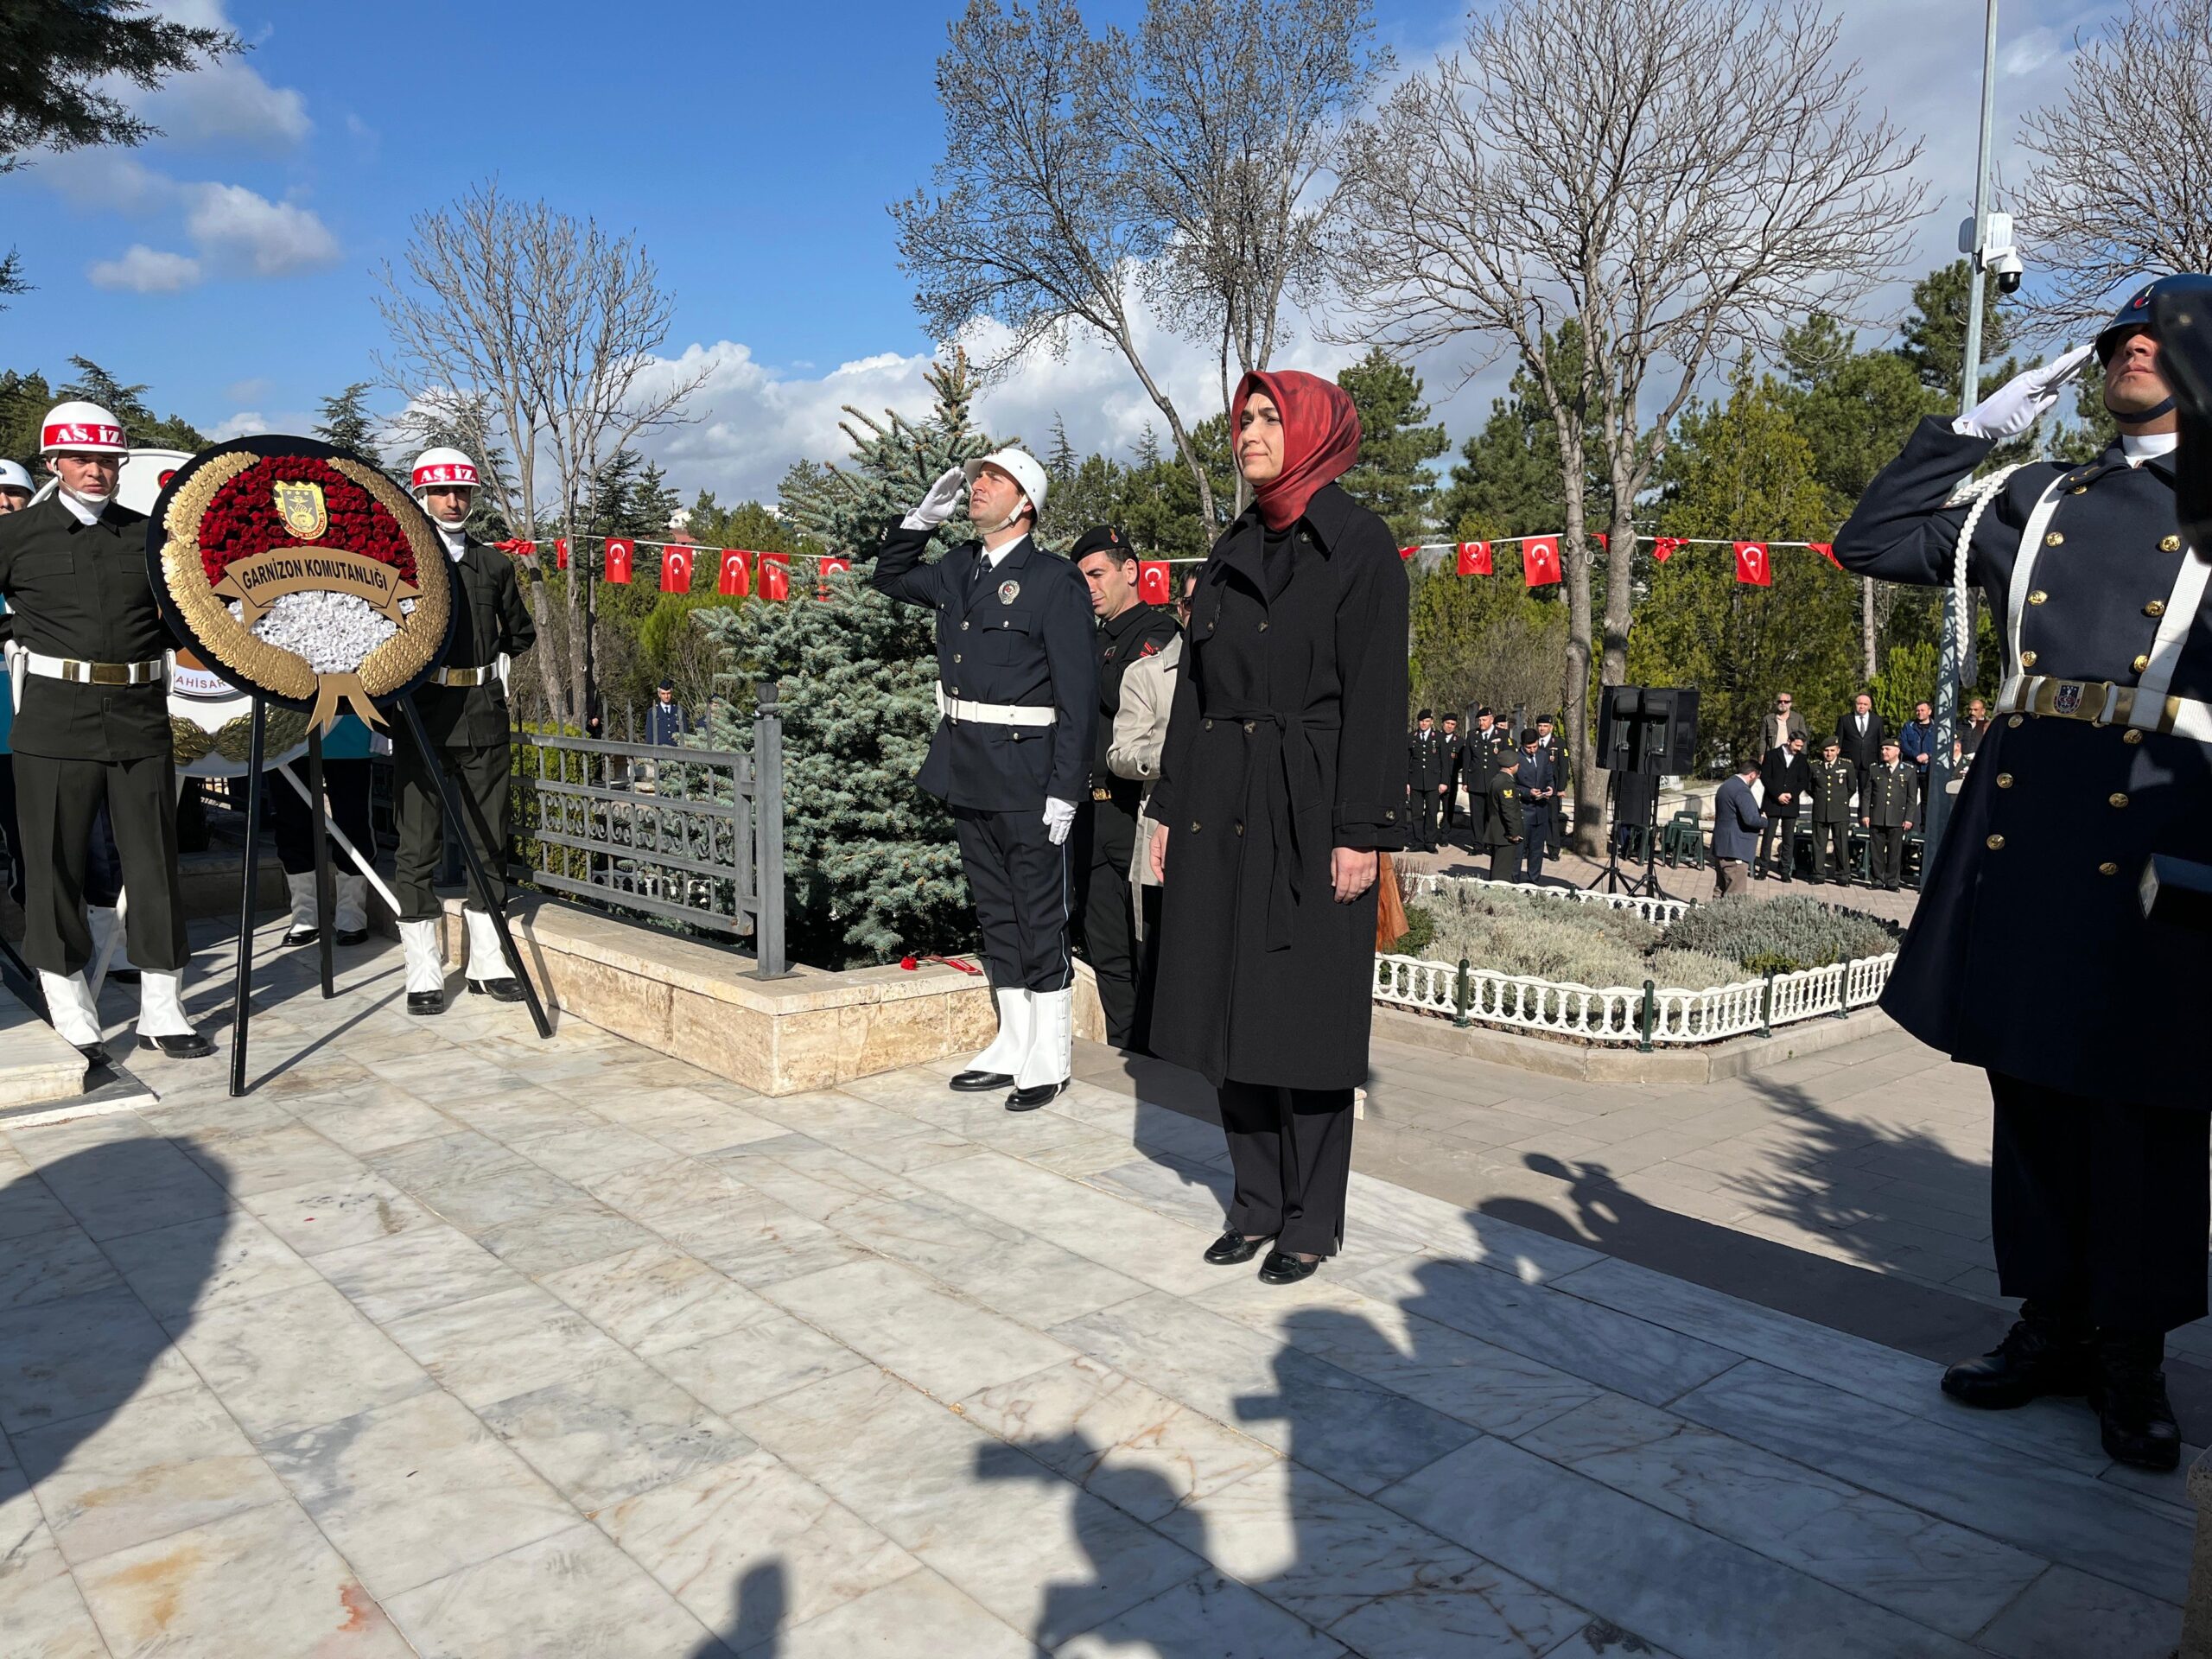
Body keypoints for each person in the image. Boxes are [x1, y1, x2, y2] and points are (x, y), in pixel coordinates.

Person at [1834, 276, 2210, 1471]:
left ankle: (2131, 1357)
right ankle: (2049, 1327)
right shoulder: (2039, 495)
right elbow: (1869, 542)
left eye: (2163, 335)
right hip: (2035, 820)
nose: (2133, 347)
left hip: (2168, 829)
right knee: (2034, 1091)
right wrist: (1965, 433)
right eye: (2121, 335)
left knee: (2145, 1109)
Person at [1147, 368, 1408, 1286]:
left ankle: (1310, 1220)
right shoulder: (1228, 548)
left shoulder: (1360, 545)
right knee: (1228, 1011)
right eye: (1243, 418)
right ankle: (1255, 1202)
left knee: (1306, 1021)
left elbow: (1378, 697)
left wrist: (1361, 830)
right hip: (1219, 804)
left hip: (1312, 804)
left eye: (1268, 418)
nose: (1248, 433)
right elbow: (1194, 693)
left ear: (1313, 430)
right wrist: (1169, 808)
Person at [870, 448, 1095, 1110]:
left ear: (1025, 503)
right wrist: (920, 521)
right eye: (978, 477)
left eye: (994, 479)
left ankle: (1048, 1053)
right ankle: (1013, 1041)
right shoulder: (959, 567)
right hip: (968, 767)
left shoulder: (1053, 580)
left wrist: (1066, 789)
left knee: (1039, 916)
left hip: (1028, 775)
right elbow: (889, 577)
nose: (978, 486)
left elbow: (1078, 698)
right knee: (996, 911)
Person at [0, 403, 209, 1062]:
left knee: (153, 864)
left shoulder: (149, 537)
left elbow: (188, 621)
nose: (96, 471)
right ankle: (72, 1011)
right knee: (54, 864)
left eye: (108, 460)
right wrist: (14, 634)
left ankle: (163, 1009)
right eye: (82, 459)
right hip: (55, 718)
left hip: (140, 715)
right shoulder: (16, 535)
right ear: (53, 463)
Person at [394, 447, 537, 1016]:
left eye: (462, 492)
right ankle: (423, 970)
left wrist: (486, 666)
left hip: (481, 714)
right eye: (441, 492)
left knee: (488, 841)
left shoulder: (494, 565)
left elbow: (520, 633)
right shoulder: (403, 564)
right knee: (417, 847)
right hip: (422, 716)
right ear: (422, 496)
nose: (453, 501)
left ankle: (487, 962)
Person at [1071, 524, 1178, 1052]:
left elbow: (1121, 694)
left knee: (1149, 942)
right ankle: (1123, 1048)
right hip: (1087, 809)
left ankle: (1158, 1051)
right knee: (1106, 945)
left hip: (1134, 808)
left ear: (1130, 571)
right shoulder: (1090, 637)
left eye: (1097, 574)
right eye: (1082, 578)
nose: (1089, 587)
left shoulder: (1157, 633)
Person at [1107, 568, 1193, 1047]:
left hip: (1231, 835)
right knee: (1157, 952)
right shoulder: (1147, 674)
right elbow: (1120, 753)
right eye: (1192, 603)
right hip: (1163, 831)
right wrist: (1175, 754)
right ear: (1180, 609)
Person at [267, 715, 375, 948]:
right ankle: (304, 913)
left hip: (347, 727)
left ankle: (352, 911)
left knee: (352, 823)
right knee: (292, 824)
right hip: (287, 732)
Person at [1754, 734, 1811, 881]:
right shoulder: (1772, 755)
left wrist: (1791, 794)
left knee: (1788, 839)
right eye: (1796, 745)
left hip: (1790, 803)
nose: (1799, 749)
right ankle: (1763, 868)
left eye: (1801, 746)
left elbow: (1803, 780)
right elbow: (1766, 777)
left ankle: (1785, 870)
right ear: (1788, 741)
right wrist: (1777, 794)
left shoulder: (1802, 759)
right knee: (1768, 837)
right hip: (1772, 802)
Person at [1860, 737, 1915, 890]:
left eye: (1887, 749)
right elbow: (1867, 794)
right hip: (1877, 816)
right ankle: (1877, 880)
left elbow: (1911, 798)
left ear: (1897, 751)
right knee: (1876, 851)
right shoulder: (1875, 769)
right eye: (1882, 749)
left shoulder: (1908, 771)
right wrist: (1865, 814)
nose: (1884, 752)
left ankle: (1892, 882)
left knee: (1894, 852)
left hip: (1897, 817)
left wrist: (1909, 818)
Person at [1709, 756, 1764, 897]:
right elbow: (1751, 819)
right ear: (1752, 775)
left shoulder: (1726, 786)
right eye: (1757, 778)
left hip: (1722, 847)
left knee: (1720, 890)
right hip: (1735, 849)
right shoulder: (1741, 790)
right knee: (1735, 894)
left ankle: (1713, 912)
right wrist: (1764, 821)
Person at [1807, 737, 1857, 886]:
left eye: (1832, 750)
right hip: (1821, 809)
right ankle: (1818, 874)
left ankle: (1843, 876)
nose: (1829, 754)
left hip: (1839, 810)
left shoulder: (1847, 765)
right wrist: (1821, 799)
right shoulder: (1815, 766)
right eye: (1826, 751)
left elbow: (1851, 788)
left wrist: (1839, 800)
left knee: (1841, 844)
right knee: (1819, 844)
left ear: (1838, 751)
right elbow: (1810, 787)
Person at [1511, 727, 1556, 883]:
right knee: (1518, 849)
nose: (1532, 750)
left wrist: (1551, 788)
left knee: (1537, 850)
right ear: (1523, 745)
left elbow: (1549, 776)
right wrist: (1527, 792)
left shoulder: (1543, 756)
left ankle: (1534, 880)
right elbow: (1511, 785)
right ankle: (1514, 880)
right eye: (1529, 747)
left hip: (1541, 809)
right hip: (1524, 810)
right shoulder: (1515, 759)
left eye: (1535, 746)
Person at [1478, 747, 1524, 880]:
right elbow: (1508, 810)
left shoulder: (1497, 779)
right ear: (1511, 767)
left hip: (1498, 832)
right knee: (1502, 872)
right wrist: (1514, 833)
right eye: (1516, 764)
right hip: (1504, 834)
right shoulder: (1506, 784)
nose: (1518, 766)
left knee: (1499, 867)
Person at [1406, 709, 1445, 852]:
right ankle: (1418, 842)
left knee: (1431, 813)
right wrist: (1406, 782)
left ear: (1432, 722)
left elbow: (1444, 761)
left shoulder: (1438, 737)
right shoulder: (1412, 737)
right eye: (1422, 721)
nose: (1424, 724)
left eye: (1427, 721)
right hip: (1415, 781)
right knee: (1416, 813)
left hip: (1433, 782)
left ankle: (1430, 842)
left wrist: (1444, 781)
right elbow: (1406, 760)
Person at [1534, 713, 1569, 859]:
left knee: (1552, 819)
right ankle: (1530, 848)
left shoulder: (1558, 743)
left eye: (1545, 726)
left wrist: (1561, 788)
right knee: (1533, 818)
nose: (1542, 729)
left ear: (1551, 727)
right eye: (1540, 726)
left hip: (1552, 788)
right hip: (1536, 786)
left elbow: (1564, 767)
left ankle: (1553, 850)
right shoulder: (1534, 742)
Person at [1834, 691, 1885, 781]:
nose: (1862, 706)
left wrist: (1881, 762)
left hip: (1869, 763)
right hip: (1849, 762)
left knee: (1867, 789)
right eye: (1859, 704)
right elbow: (1839, 742)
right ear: (1855, 704)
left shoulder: (1877, 720)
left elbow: (1881, 741)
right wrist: (1838, 761)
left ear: (1870, 706)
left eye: (1865, 704)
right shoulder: (1845, 720)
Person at [1900, 699, 1936, 810]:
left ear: (1929, 712)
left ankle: (1925, 822)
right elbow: (1903, 744)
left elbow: (1941, 745)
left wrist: (1928, 755)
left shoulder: (1937, 728)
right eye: (1917, 710)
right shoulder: (1908, 726)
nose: (1919, 712)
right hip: (1911, 767)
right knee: (1908, 798)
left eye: (1922, 710)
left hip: (1928, 768)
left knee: (1927, 800)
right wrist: (1916, 756)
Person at [1437, 713, 1466, 846]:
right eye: (1447, 723)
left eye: (1452, 724)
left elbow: (1462, 762)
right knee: (1432, 808)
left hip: (1451, 780)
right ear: (1442, 723)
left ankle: (1445, 834)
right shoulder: (1435, 738)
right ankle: (1430, 833)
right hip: (1434, 780)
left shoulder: (1460, 742)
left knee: (1448, 809)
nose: (1449, 726)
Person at [1758, 691, 1808, 756]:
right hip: (1773, 756)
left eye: (1786, 702)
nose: (1783, 703)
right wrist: (1761, 756)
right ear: (1776, 703)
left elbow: (1803, 739)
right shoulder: (1768, 719)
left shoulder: (1798, 719)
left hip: (1792, 756)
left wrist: (1802, 756)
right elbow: (1763, 740)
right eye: (1780, 701)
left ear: (1790, 704)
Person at [645, 681, 688, 747]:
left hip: (677, 750)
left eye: (668, 693)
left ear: (671, 693)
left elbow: (686, 734)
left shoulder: (679, 711)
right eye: (663, 694)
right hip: (659, 750)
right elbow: (649, 736)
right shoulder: (652, 712)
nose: (666, 696)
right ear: (659, 694)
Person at [1955, 695, 1991, 766]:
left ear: (1983, 711)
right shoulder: (1959, 725)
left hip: (1981, 762)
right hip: (1961, 763)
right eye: (1970, 710)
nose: (1972, 713)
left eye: (1975, 710)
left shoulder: (1989, 726)